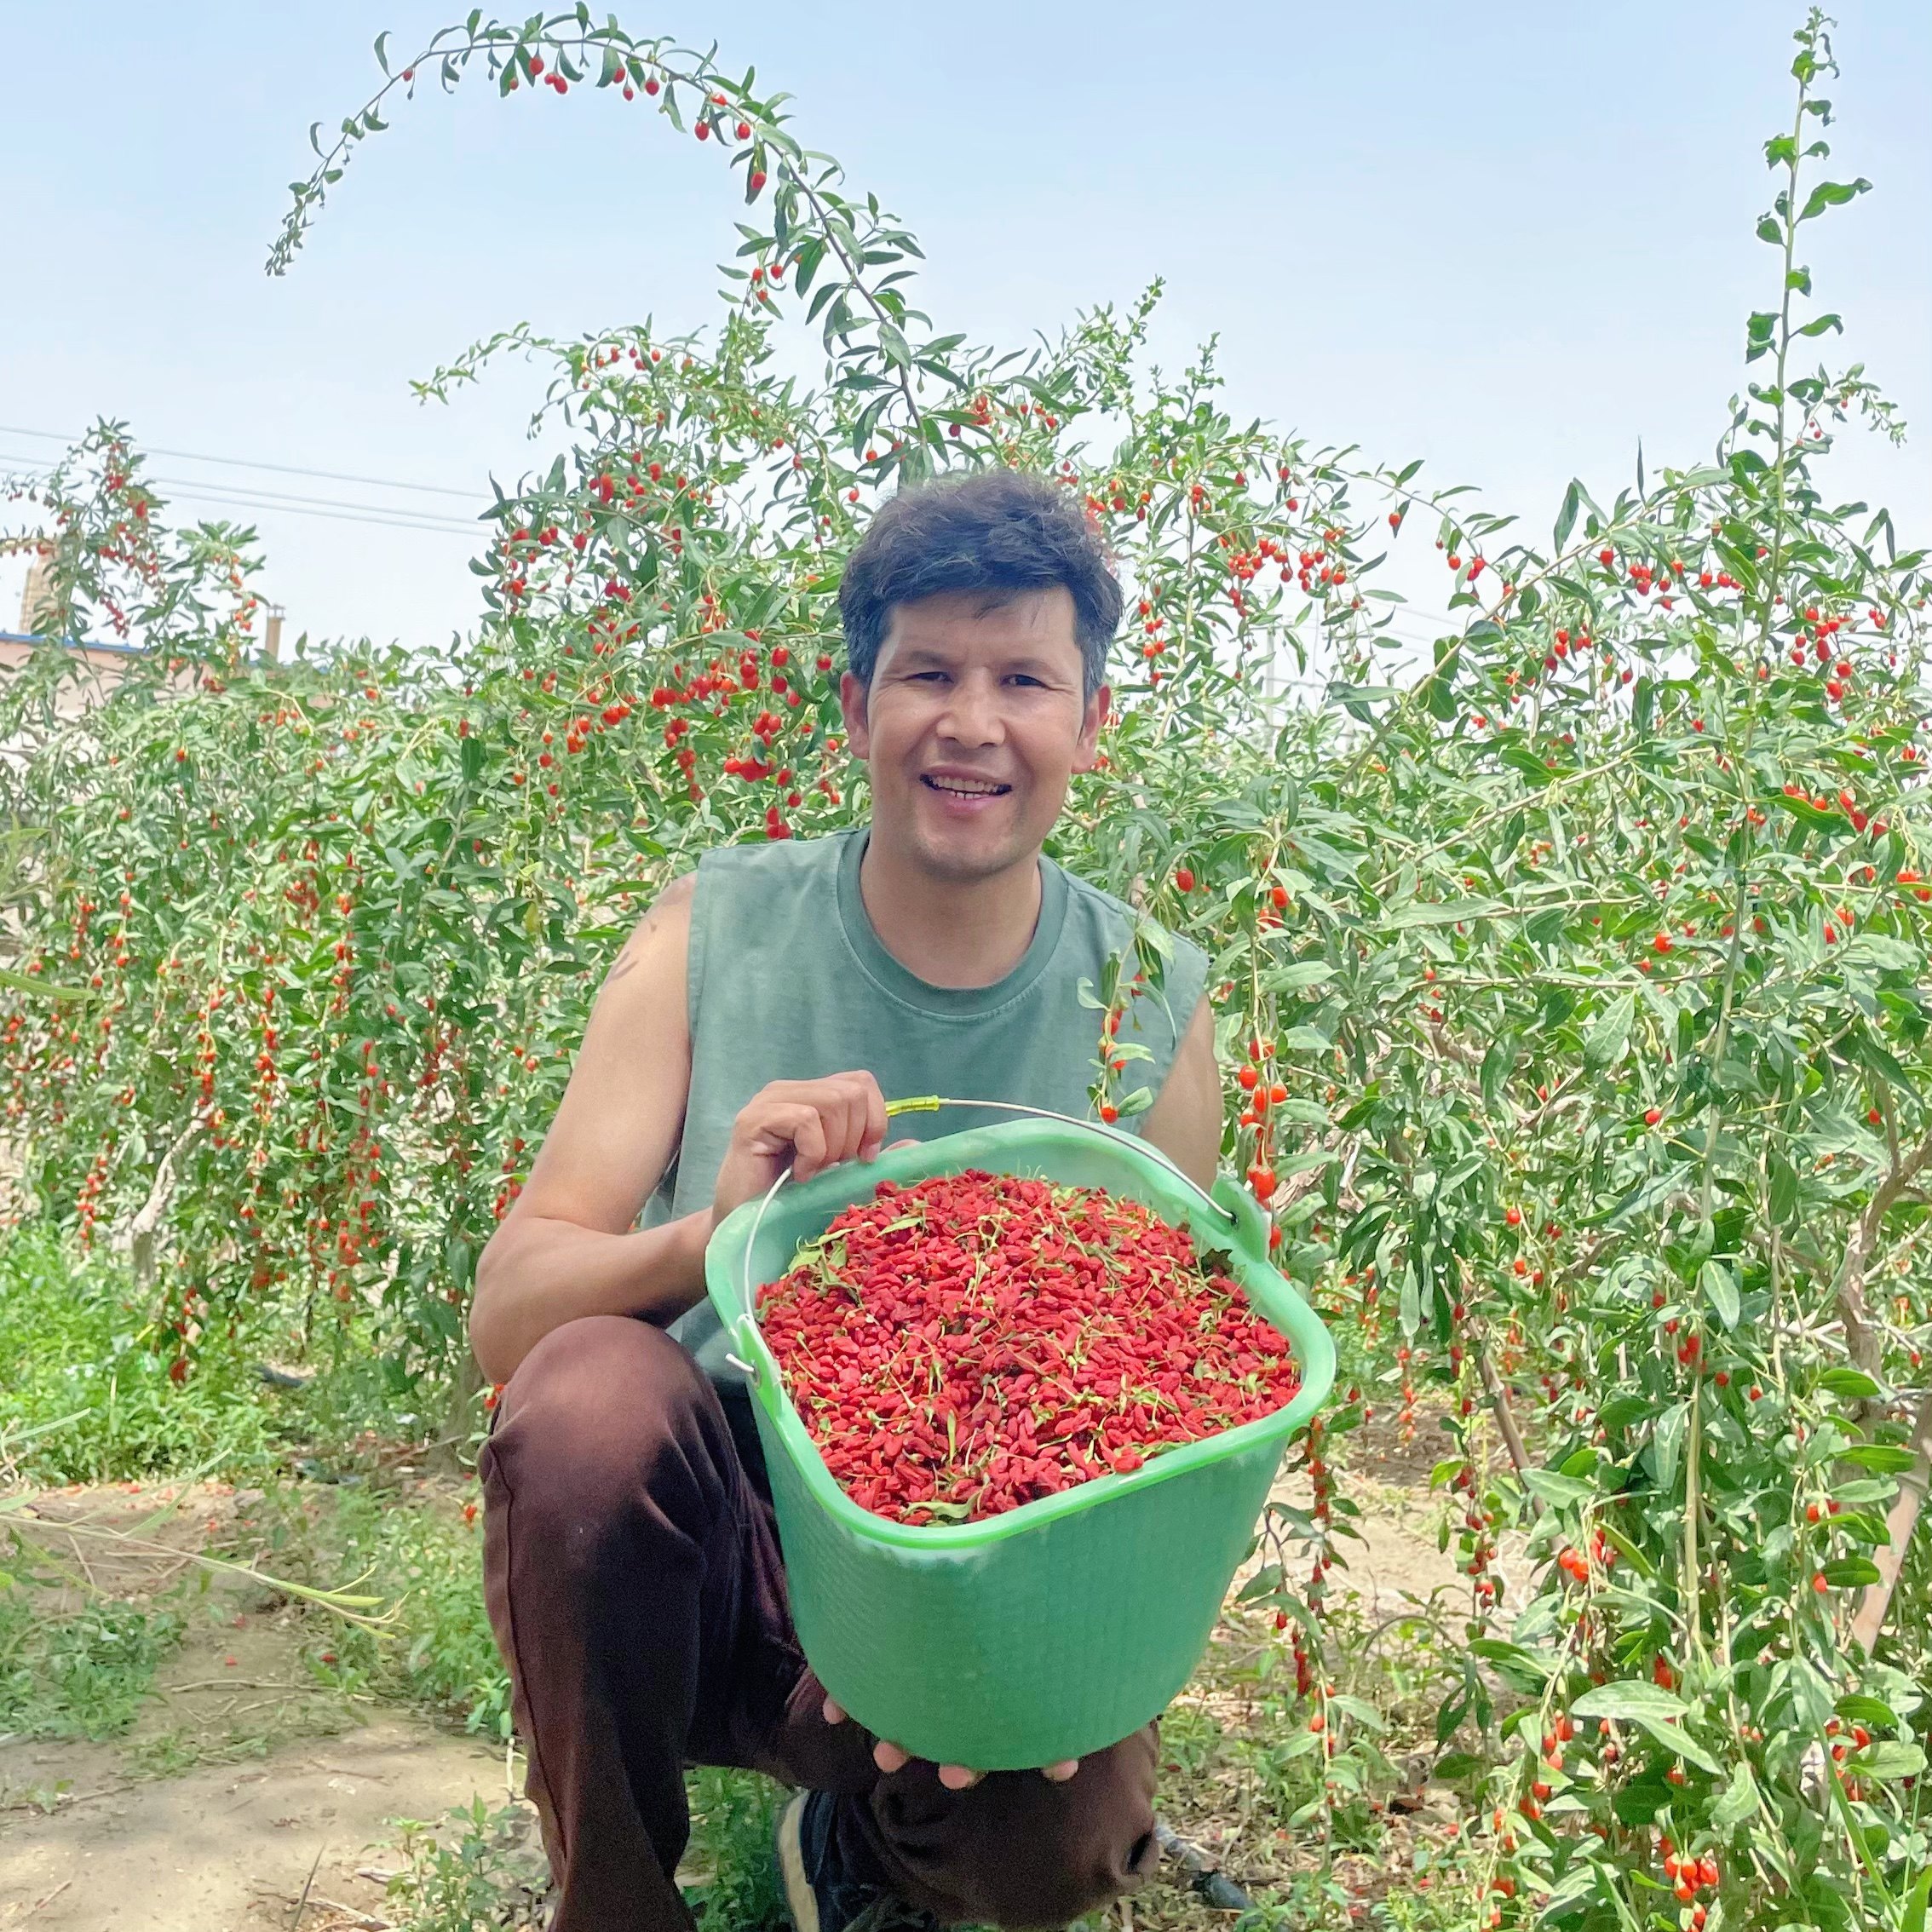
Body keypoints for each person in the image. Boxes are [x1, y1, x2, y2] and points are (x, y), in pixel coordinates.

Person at [470, 469, 1220, 1932]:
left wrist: (1073, 1647)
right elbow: (511, 1312)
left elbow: (1175, 1410)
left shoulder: (1147, 1006)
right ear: (856, 700)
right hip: (721, 1552)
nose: (973, 722)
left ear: (1090, 721)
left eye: (1024, 679)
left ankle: (871, 1851)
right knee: (581, 1403)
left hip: (984, 1567)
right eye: (928, 672)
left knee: (1062, 1840)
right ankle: (614, 1898)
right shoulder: (712, 931)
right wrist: (717, 1235)